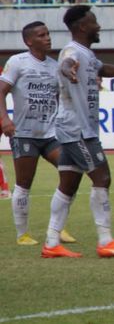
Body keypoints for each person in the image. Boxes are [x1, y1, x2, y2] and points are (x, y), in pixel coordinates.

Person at [42, 6, 114, 258]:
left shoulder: (87, 54)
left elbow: (101, 68)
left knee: (67, 185)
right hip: (77, 129)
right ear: (83, 27)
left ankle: (51, 243)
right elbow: (66, 63)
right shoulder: (72, 52)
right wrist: (67, 70)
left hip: (76, 127)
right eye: (94, 22)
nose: (99, 26)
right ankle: (105, 241)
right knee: (102, 178)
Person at [0, 22, 77, 246]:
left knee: (71, 172)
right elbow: (1, 91)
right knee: (24, 183)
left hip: (51, 134)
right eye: (41, 35)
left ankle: (59, 227)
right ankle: (22, 234)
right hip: (24, 134)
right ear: (29, 41)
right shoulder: (17, 62)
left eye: (48, 34)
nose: (48, 38)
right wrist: (4, 119)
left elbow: (59, 99)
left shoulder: (55, 66)